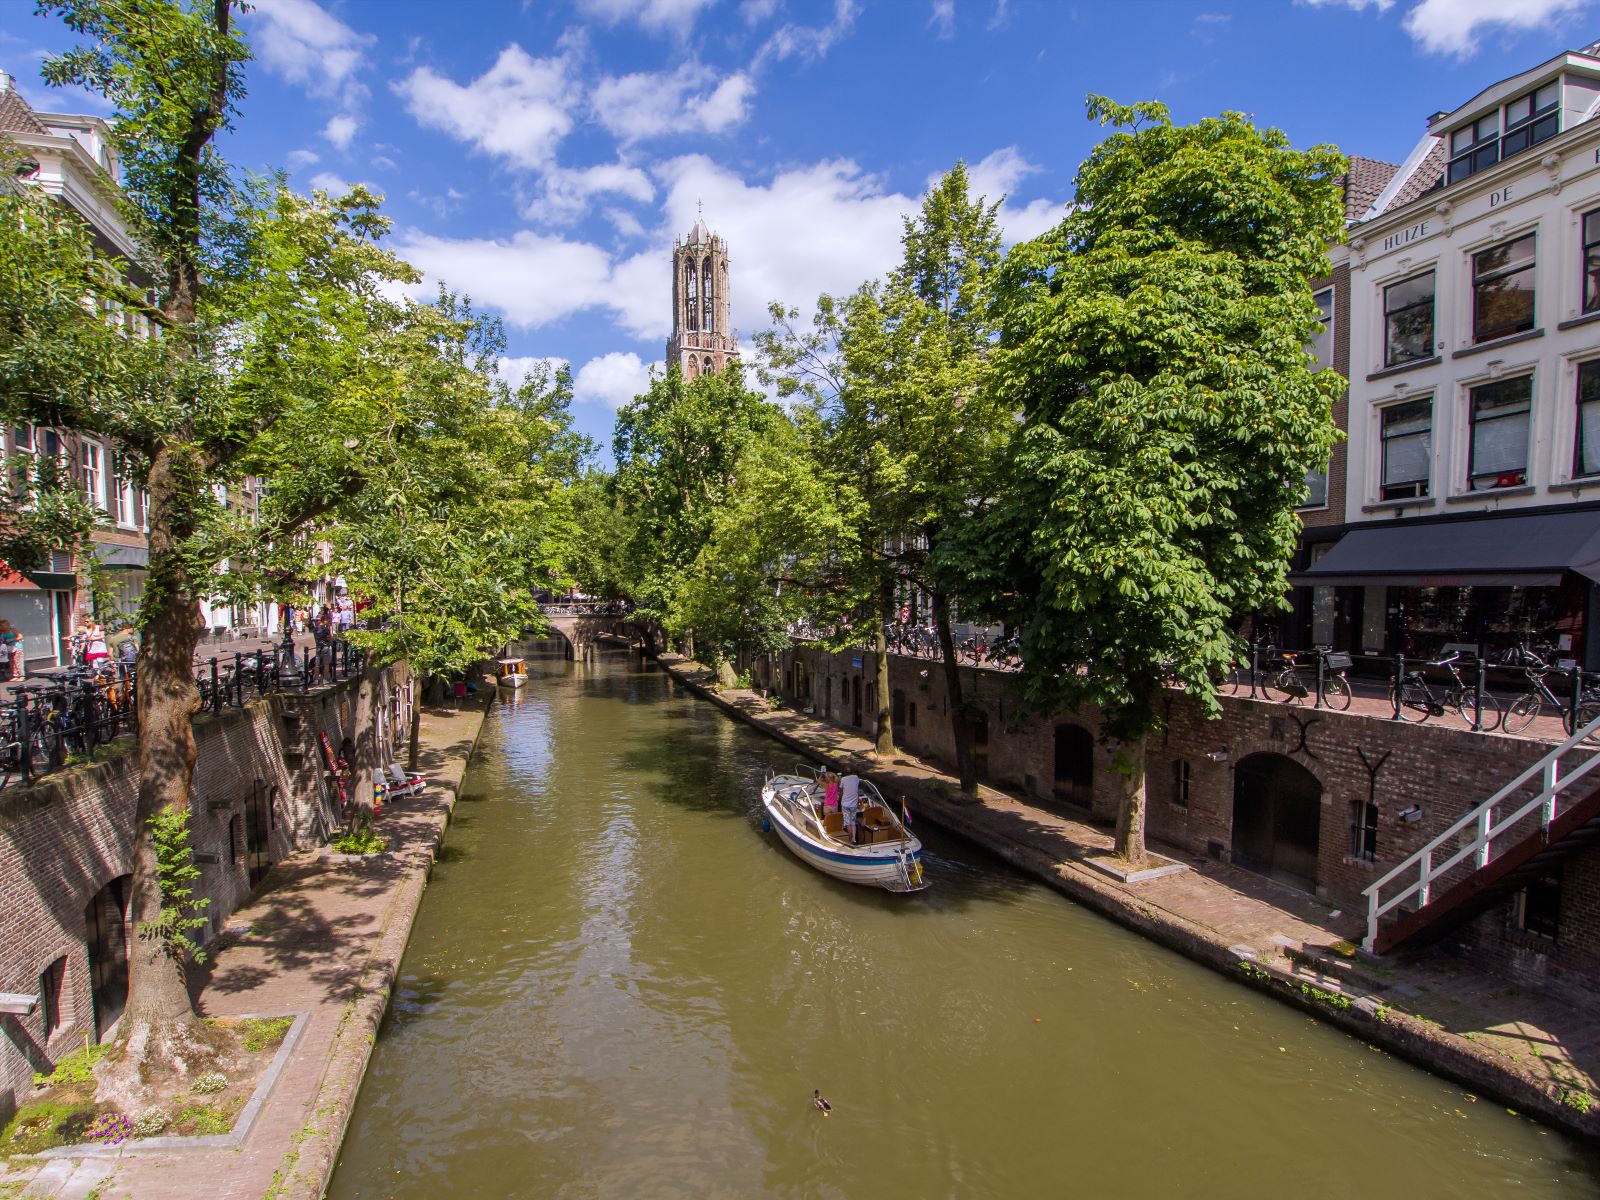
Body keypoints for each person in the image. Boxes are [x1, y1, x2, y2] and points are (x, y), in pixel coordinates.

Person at [841, 773, 861, 845]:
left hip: (845, 805)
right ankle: (854, 839)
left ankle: (850, 840)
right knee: (853, 823)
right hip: (853, 805)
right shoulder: (856, 777)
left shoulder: (843, 779)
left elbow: (841, 789)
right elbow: (857, 787)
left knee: (847, 823)